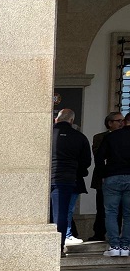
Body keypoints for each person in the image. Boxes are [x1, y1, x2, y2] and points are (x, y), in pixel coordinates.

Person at [50, 109, 91, 256]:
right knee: (60, 214)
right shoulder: (79, 137)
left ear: (56, 119)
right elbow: (86, 161)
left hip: (45, 178)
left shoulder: (47, 134)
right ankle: (57, 248)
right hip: (66, 180)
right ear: (72, 121)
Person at [94, 114, 130, 256]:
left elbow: (99, 158)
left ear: (125, 122)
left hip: (112, 177)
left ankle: (114, 246)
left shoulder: (111, 137)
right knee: (128, 214)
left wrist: (103, 174)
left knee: (110, 212)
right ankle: (126, 246)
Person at [89, 112, 125, 241]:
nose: (122, 123)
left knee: (120, 208)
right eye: (118, 121)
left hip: (121, 176)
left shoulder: (126, 136)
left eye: (123, 120)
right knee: (102, 207)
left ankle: (117, 234)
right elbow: (99, 157)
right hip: (104, 177)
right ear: (110, 123)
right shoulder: (100, 137)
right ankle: (99, 233)